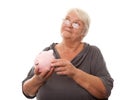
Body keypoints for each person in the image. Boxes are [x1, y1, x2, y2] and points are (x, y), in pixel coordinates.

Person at [22, 8, 114, 100]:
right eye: (67, 20)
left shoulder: (92, 53)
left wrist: (75, 73)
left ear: (84, 32)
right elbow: (27, 91)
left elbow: (105, 91)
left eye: (76, 23)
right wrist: (38, 80)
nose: (69, 25)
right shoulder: (47, 52)